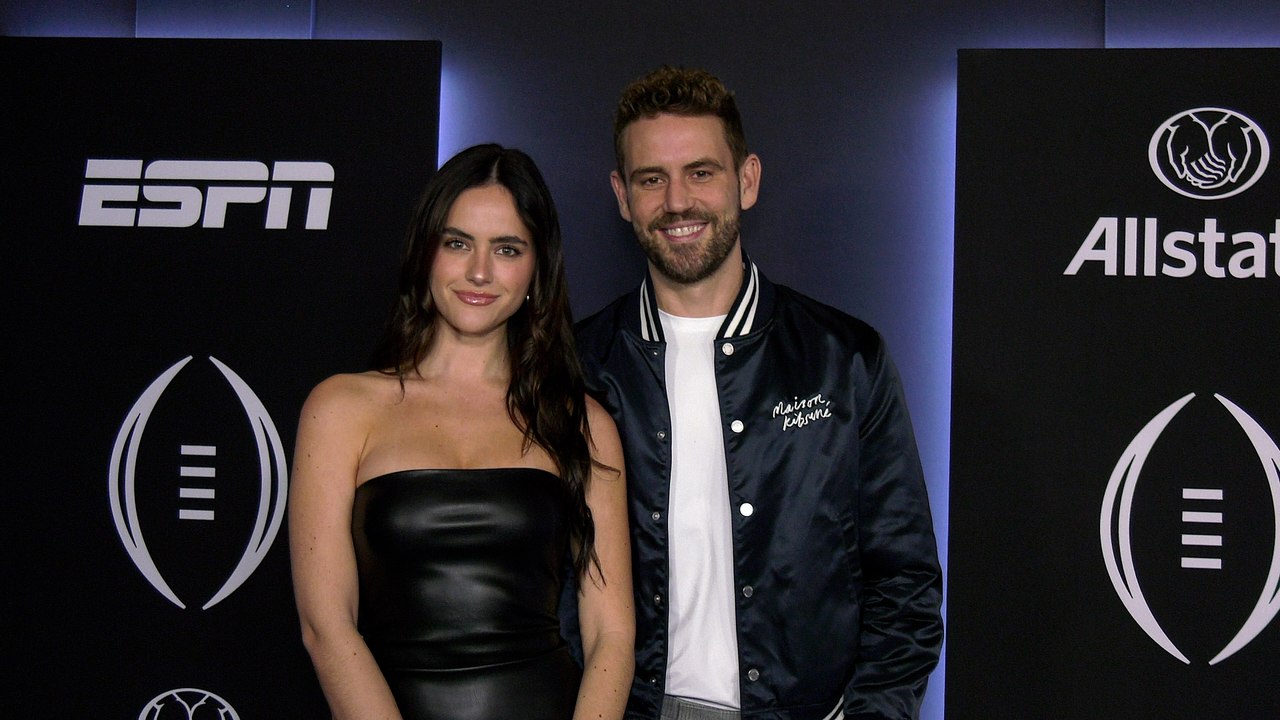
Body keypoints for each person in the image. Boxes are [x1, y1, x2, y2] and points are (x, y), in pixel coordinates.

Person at [574, 67, 943, 720]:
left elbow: (904, 581)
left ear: (747, 180)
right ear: (622, 196)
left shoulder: (842, 358)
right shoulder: (578, 366)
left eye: (701, 172)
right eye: (651, 179)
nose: (677, 202)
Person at [289, 144, 635, 720]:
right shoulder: (341, 409)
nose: (479, 271)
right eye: (457, 243)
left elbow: (611, 636)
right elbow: (326, 625)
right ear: (426, 251)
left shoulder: (581, 423)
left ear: (537, 268)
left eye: (507, 249)